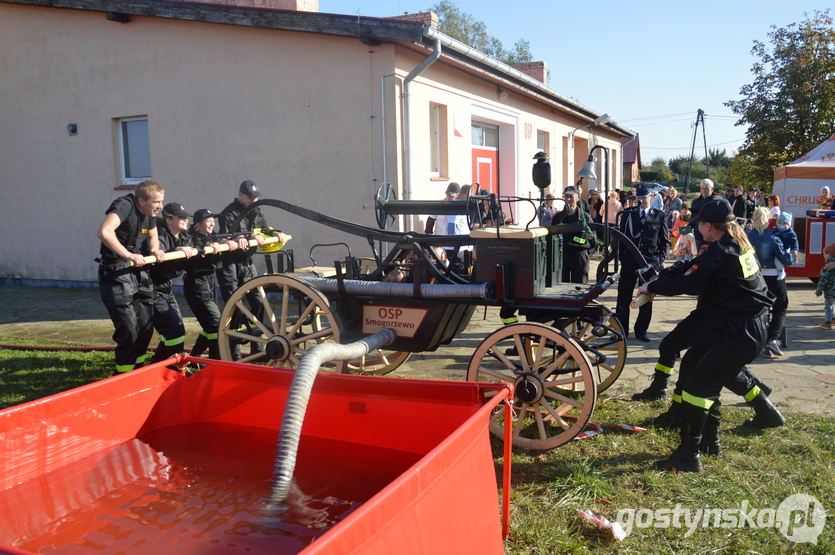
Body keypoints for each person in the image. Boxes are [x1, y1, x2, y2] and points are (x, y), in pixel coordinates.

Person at [637, 198, 775, 472]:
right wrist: (660, 279)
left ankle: (689, 456)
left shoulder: (721, 250)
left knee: (698, 387)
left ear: (709, 226)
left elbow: (691, 282)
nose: (696, 229)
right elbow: (694, 269)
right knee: (693, 368)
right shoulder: (732, 244)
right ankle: (710, 445)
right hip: (735, 324)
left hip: (741, 329)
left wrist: (653, 287)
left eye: (698, 224)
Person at [97, 180, 166, 374]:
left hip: (139, 270)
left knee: (145, 328)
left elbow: (153, 234)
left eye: (161, 201)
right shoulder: (125, 205)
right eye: (156, 202)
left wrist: (155, 250)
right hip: (117, 272)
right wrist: (128, 255)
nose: (161, 207)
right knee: (129, 331)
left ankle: (137, 370)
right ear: (141, 200)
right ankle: (123, 376)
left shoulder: (149, 214)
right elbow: (104, 232)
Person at [218, 180, 286, 360]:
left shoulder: (256, 209)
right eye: (250, 197)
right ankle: (234, 352)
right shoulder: (228, 213)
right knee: (234, 308)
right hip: (230, 264)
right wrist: (246, 236)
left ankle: (257, 346)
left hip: (247, 263)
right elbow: (226, 236)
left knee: (259, 303)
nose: (254, 200)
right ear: (240, 195)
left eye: (256, 197)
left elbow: (263, 229)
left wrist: (274, 233)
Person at [615, 186, 670, 343]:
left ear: (651, 197)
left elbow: (664, 241)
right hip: (630, 262)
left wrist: (659, 261)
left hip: (649, 263)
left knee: (646, 297)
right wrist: (622, 258)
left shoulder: (659, 215)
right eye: (639, 197)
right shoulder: (629, 214)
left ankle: (641, 330)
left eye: (644, 197)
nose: (641, 200)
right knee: (623, 296)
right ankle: (621, 330)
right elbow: (622, 237)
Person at [147, 203, 197, 364]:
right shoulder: (159, 235)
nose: (185, 220)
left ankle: (160, 364)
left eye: (186, 217)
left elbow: (197, 245)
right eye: (180, 217)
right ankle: (164, 366)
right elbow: (157, 257)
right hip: (151, 288)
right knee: (173, 329)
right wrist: (175, 251)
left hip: (166, 287)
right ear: (169, 220)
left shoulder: (184, 236)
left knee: (177, 329)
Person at [184, 209, 236, 360]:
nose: (212, 223)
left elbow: (220, 240)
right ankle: (215, 362)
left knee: (210, 325)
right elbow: (196, 245)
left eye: (213, 220)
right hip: (197, 283)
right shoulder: (192, 237)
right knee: (216, 324)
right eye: (208, 221)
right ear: (198, 224)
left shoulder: (212, 236)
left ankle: (194, 358)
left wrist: (226, 241)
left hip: (210, 280)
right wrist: (209, 245)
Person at [747, 207, 793, 358]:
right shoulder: (773, 237)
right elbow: (787, 260)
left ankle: (760, 340)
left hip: (755, 277)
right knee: (780, 306)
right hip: (774, 276)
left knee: (761, 308)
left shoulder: (747, 237)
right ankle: (773, 339)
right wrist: (790, 255)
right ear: (768, 220)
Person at [552, 186, 594, 283]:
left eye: (571, 197)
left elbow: (592, 239)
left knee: (579, 288)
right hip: (562, 257)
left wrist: (585, 253)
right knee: (560, 287)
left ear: (577, 198)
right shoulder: (558, 218)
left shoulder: (585, 218)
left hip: (579, 256)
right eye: (566, 196)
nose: (568, 199)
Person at [815, 243, 835, 328]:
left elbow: (823, 280)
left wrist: (819, 290)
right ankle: (833, 319)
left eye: (825, 254)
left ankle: (827, 322)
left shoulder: (828, 266)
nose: (823, 256)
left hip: (830, 290)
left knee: (828, 305)